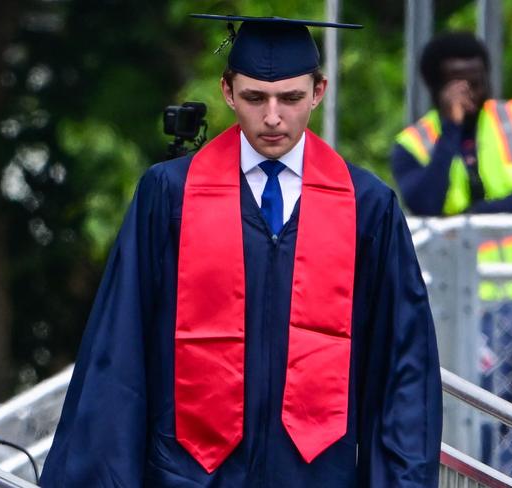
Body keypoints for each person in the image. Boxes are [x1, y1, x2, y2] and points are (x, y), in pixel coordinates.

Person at [40, 15, 443, 487]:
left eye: (291, 98)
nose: (273, 117)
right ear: (228, 91)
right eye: (255, 97)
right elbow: (120, 351)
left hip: (315, 476)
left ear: (318, 91)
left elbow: (402, 368)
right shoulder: (170, 196)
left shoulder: (365, 206)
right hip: (189, 475)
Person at [390, 31, 512, 478]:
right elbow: (426, 201)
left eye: (474, 76)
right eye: (454, 80)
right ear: (435, 85)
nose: (468, 88)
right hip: (462, 308)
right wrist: (452, 130)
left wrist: (473, 218)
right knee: (474, 421)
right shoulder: (415, 142)